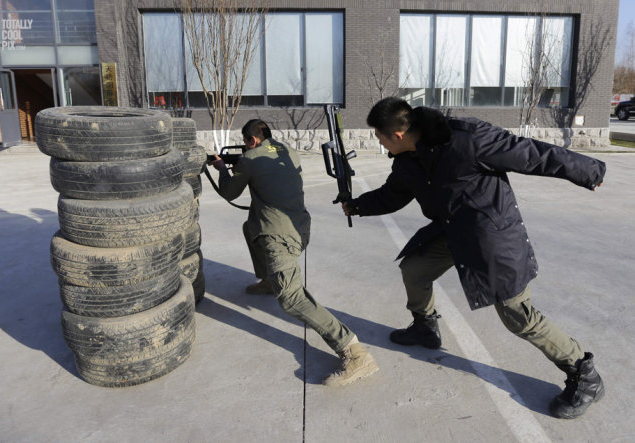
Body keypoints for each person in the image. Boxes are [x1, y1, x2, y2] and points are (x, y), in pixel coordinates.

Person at [343, 97, 605, 418]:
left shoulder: (466, 139)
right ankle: (425, 327)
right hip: (452, 231)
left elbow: (530, 152)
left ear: (396, 134)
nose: (379, 143)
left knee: (516, 314)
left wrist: (588, 170)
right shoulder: (408, 160)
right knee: (415, 269)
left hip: (491, 237)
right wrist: (357, 205)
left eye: (379, 137)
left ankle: (584, 373)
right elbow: (393, 195)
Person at [208, 119, 379, 386]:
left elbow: (229, 191)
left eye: (245, 142)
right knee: (250, 226)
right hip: (300, 228)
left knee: (290, 297)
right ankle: (267, 280)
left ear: (251, 140)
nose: (245, 146)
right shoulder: (287, 151)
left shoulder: (249, 159)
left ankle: (354, 351)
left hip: (280, 238)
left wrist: (221, 168)